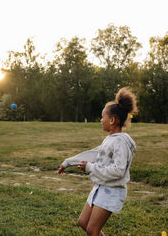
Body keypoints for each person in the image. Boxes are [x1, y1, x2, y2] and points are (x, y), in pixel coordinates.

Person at [58, 87, 137, 236]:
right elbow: (94, 154)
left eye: (103, 117)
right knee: (83, 222)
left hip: (112, 190)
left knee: (92, 230)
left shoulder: (120, 142)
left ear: (112, 120)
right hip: (101, 187)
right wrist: (68, 162)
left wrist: (91, 168)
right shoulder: (110, 139)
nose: (101, 120)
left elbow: (119, 170)